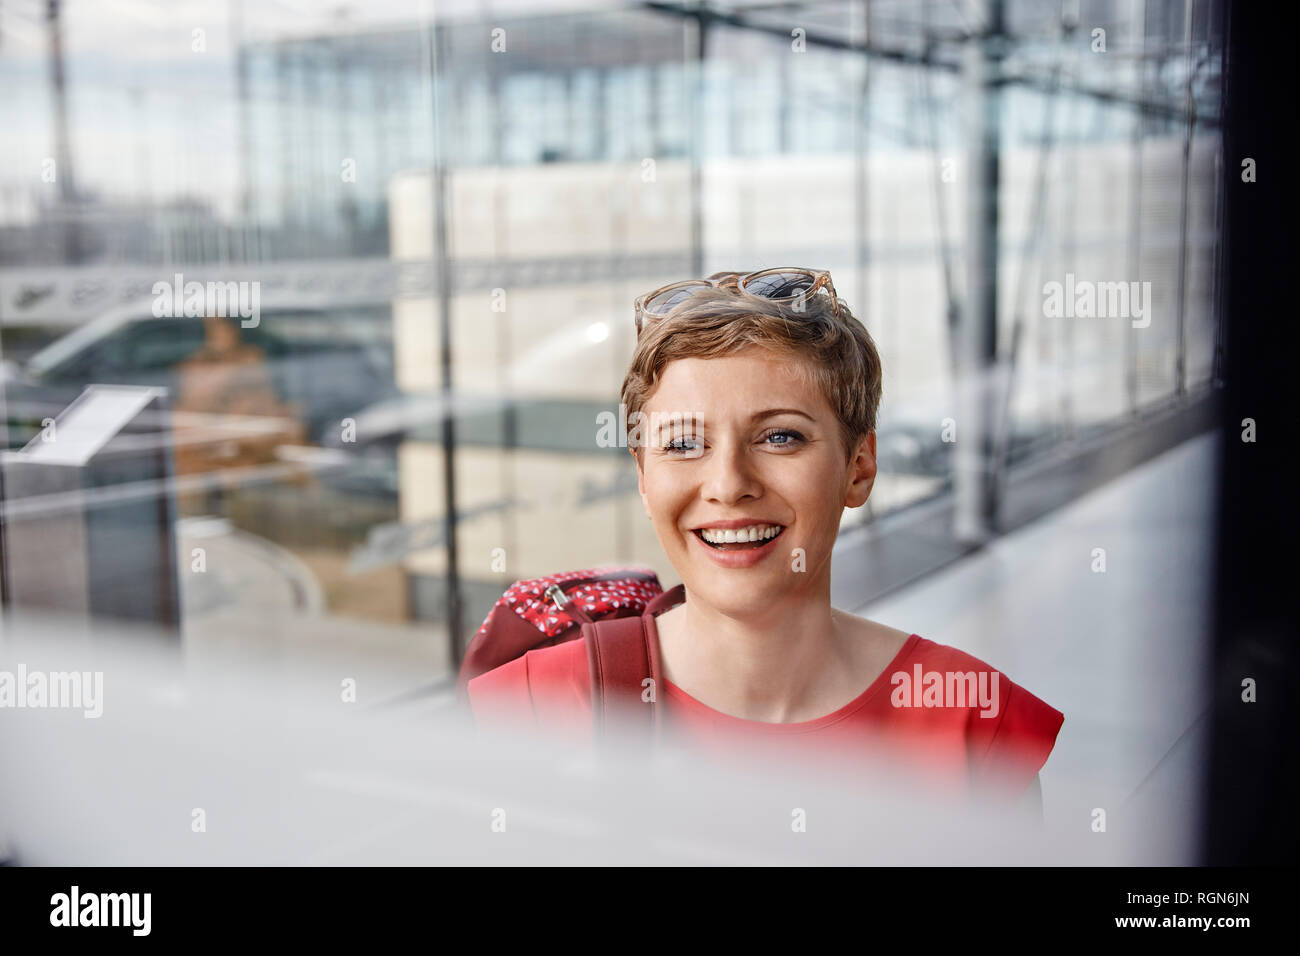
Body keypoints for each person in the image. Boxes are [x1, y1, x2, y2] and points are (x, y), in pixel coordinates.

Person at [468, 269, 1063, 810]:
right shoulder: (530, 712)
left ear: (859, 468)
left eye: (779, 437)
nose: (729, 485)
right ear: (644, 478)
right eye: (681, 444)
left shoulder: (973, 722)